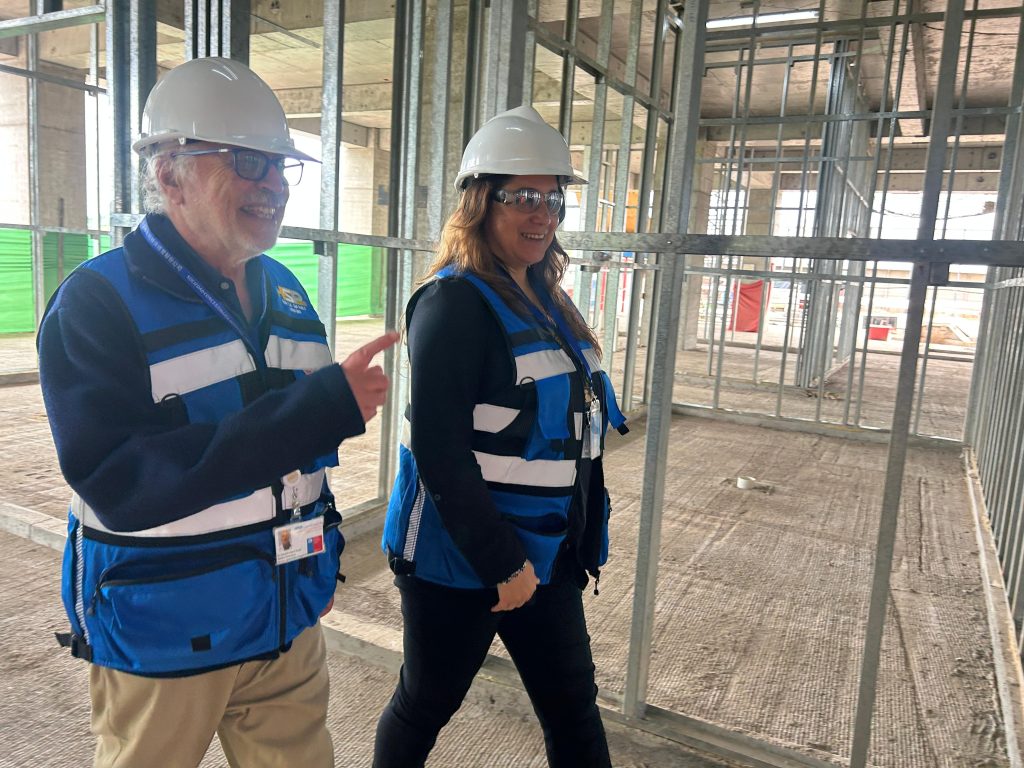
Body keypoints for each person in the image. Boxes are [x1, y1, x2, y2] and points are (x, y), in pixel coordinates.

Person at [37, 56, 398, 768]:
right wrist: (315, 411)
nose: (273, 185)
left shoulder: (286, 292)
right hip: (167, 629)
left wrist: (317, 558)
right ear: (170, 174)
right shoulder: (97, 303)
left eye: (280, 166)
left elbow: (298, 464)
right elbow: (120, 482)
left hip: (284, 615)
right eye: (247, 162)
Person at [374, 105, 628, 767]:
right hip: (463, 559)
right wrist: (501, 564)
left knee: (573, 710)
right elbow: (439, 450)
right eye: (524, 197)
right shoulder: (453, 304)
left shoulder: (546, 298)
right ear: (481, 202)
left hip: (548, 553)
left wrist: (569, 545)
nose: (543, 214)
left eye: (553, 198)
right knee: (426, 702)